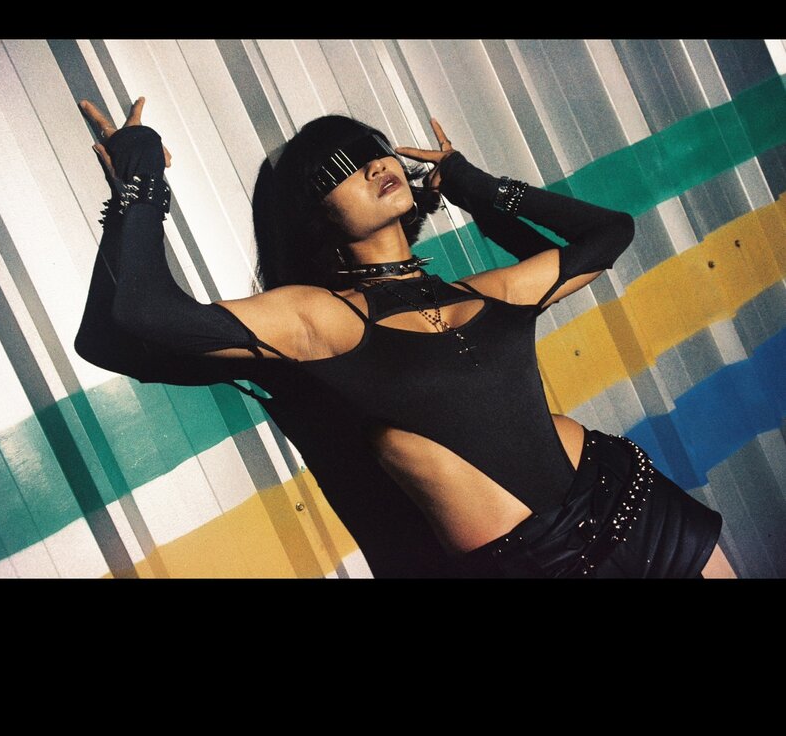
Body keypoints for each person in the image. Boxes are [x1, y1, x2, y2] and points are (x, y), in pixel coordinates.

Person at [75, 97, 728, 579]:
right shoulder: (320, 318)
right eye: (337, 169)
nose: (372, 166)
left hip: (632, 504)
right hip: (532, 563)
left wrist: (472, 186)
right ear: (313, 216)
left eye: (372, 149)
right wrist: (139, 179)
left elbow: (608, 235)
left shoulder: (489, 293)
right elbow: (140, 314)